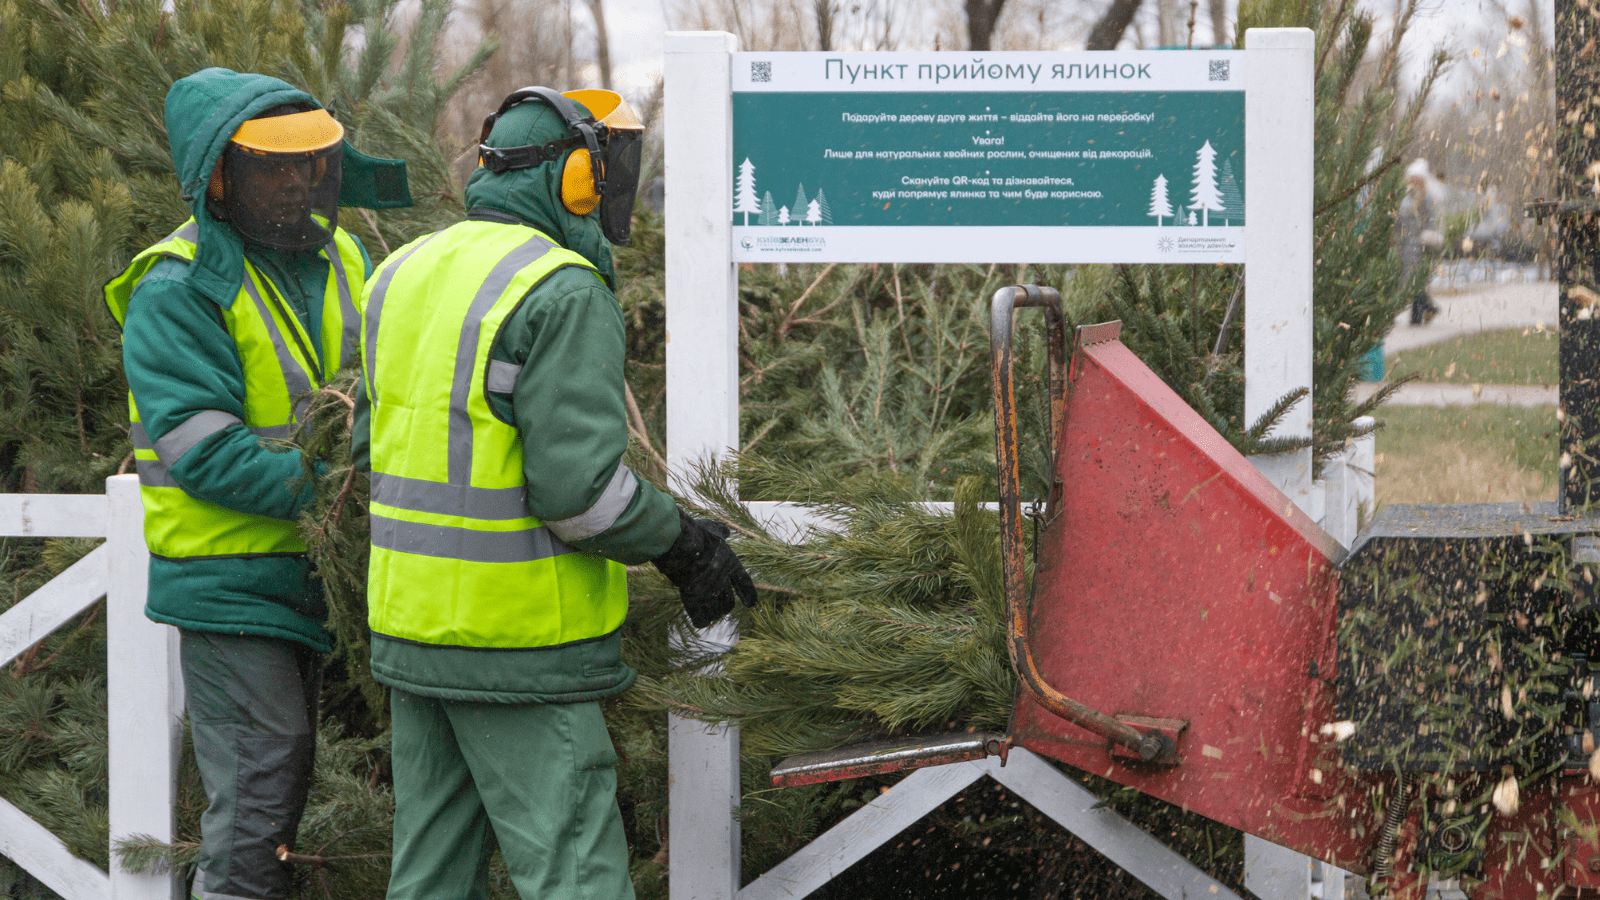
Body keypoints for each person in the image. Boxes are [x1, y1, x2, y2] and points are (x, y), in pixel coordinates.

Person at [351, 87, 758, 900]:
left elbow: (370, 450)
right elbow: (580, 496)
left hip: (412, 634)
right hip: (519, 646)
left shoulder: (401, 272)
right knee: (575, 871)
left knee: (429, 876)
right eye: (607, 172)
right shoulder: (561, 289)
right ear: (576, 180)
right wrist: (681, 544)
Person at [104, 68, 411, 900]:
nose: (299, 183)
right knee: (259, 798)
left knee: (280, 788)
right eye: (275, 168)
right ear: (217, 176)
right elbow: (206, 451)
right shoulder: (177, 289)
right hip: (230, 583)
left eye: (311, 164)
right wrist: (343, 498)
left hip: (321, 575)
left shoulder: (344, 254)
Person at [1399, 157, 1443, 325]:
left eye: (1417, 180)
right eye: (1412, 180)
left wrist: (1429, 235)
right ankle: (1430, 308)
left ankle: (1416, 318)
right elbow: (1401, 220)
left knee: (1417, 282)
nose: (1414, 183)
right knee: (1413, 283)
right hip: (1407, 247)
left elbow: (1432, 221)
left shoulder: (1427, 200)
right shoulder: (1406, 197)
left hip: (1422, 247)